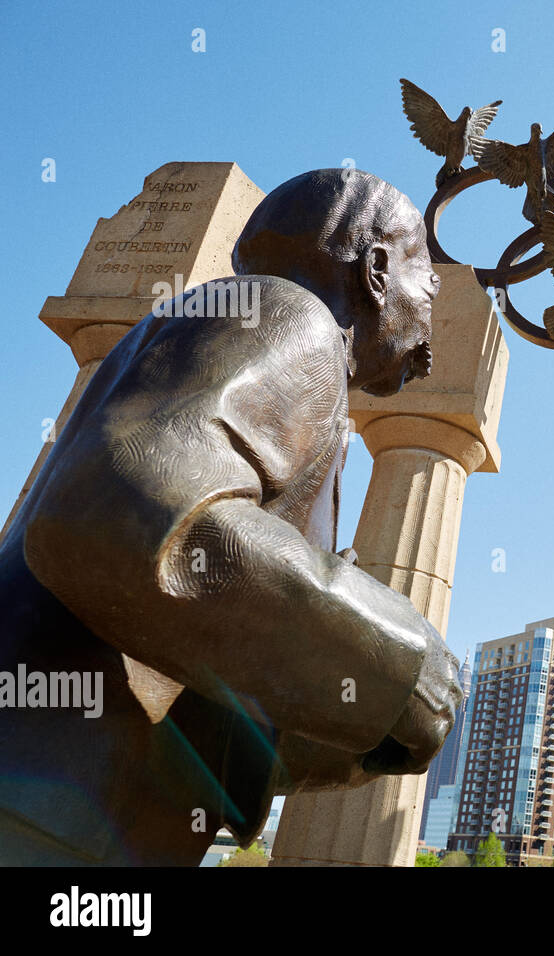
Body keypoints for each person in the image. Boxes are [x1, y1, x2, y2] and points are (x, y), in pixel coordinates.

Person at [0, 169, 463, 865]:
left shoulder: (246, 341)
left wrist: (362, 717)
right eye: (429, 279)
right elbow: (113, 518)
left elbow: (215, 697)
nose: (433, 310)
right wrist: (401, 657)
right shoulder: (289, 315)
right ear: (375, 270)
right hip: (51, 810)